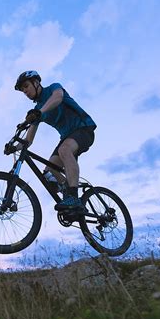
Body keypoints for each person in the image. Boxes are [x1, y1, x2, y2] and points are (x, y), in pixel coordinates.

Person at [14, 70, 96, 214]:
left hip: (84, 129)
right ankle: (67, 192)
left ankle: (73, 196)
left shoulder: (53, 88)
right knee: (49, 172)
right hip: (67, 138)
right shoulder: (37, 110)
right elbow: (28, 140)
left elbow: (58, 97)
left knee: (64, 150)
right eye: (22, 90)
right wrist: (14, 147)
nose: (25, 91)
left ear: (36, 82)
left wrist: (39, 113)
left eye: (26, 86)